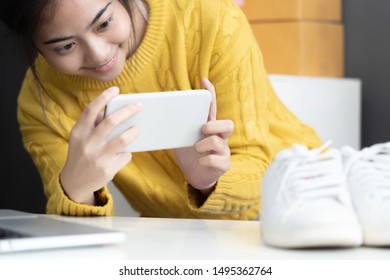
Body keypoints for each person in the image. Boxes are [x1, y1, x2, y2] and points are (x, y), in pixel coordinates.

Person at [0, 0, 322, 219]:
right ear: (35, 45)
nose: (98, 54)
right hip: (180, 241)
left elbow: (260, 172)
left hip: (306, 196)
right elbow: (77, 240)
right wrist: (76, 190)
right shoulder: (40, 102)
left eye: (104, 23)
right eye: (65, 46)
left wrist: (207, 182)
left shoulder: (210, 18)